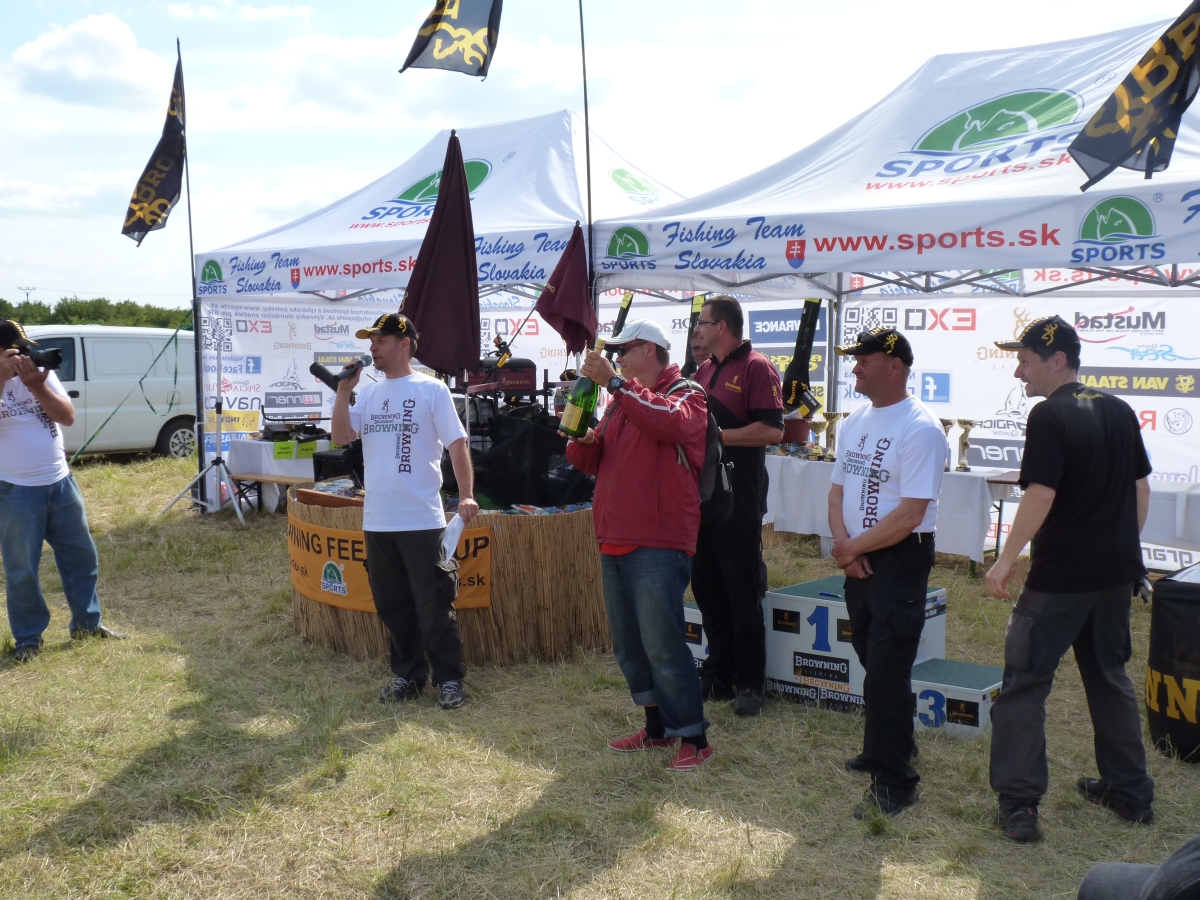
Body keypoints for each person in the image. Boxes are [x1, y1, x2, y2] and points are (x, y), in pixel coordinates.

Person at [985, 315, 1154, 843]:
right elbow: (1141, 488)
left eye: (1025, 361)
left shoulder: (1049, 414)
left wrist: (1004, 560)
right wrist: (1121, 547)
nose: (1019, 372)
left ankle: (1019, 805)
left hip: (1059, 579)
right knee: (1109, 676)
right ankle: (1131, 793)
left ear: (1056, 361)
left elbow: (1041, 493)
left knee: (1024, 683)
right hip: (1114, 575)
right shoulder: (1120, 409)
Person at [563, 320, 714, 771]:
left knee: (663, 643)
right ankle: (657, 728)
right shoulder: (623, 402)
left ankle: (695, 738)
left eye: (624, 351)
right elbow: (591, 461)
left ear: (650, 350)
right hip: (615, 535)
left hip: (658, 539)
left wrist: (614, 383)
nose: (618, 359)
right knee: (629, 644)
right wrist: (582, 440)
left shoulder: (687, 393)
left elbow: (670, 423)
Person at [827, 326, 947, 819]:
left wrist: (853, 547)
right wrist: (846, 548)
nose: (855, 367)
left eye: (864, 359)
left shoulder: (921, 428)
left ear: (895, 366)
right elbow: (837, 491)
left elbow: (912, 513)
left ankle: (896, 781)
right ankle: (894, 743)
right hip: (859, 557)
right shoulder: (854, 420)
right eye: (854, 359)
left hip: (900, 558)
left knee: (887, 666)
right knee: (871, 656)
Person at [332, 312, 478, 710]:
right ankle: (409, 676)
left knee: (433, 603)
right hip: (378, 519)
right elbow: (341, 436)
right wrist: (343, 392)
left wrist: (466, 495)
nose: (372, 348)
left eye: (380, 340)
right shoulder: (369, 393)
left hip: (421, 517)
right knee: (392, 604)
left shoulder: (432, 389)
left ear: (404, 344)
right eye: (371, 341)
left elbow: (457, 444)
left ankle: (449, 679)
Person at [0, 320, 123, 662]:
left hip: (60, 482)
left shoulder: (38, 374)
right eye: (15, 350)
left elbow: (67, 417)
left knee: (81, 557)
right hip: (15, 489)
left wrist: (37, 387)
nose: (24, 356)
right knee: (22, 569)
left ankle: (87, 624)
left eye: (25, 349)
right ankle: (28, 640)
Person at [690, 296, 784, 715]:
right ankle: (719, 671)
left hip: (740, 497)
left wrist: (719, 439)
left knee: (742, 591)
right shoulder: (704, 369)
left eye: (703, 323)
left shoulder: (757, 367)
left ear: (723, 327)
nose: (698, 330)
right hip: (704, 496)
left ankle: (749, 682)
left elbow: (774, 430)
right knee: (707, 587)